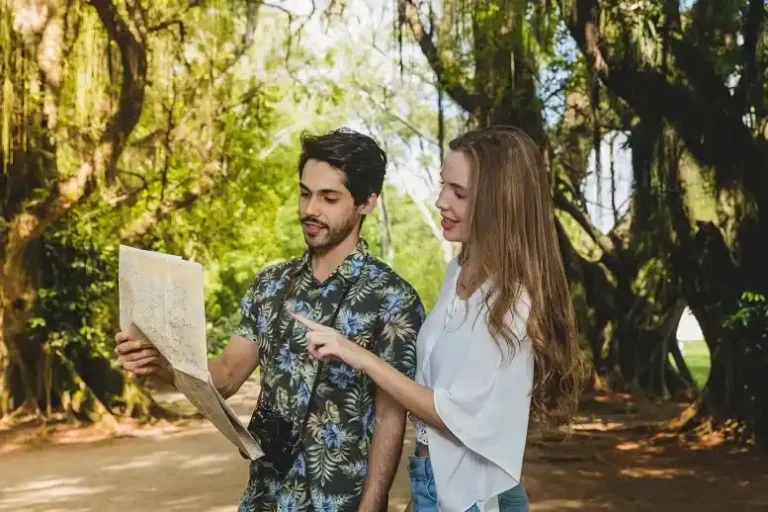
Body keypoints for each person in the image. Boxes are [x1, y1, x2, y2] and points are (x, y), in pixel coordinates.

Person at [115, 128, 426, 512]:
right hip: (265, 499)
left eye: (329, 198)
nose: (311, 209)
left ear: (366, 203)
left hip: (340, 501)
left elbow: (389, 419)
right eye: (305, 192)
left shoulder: (393, 298)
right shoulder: (270, 285)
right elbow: (226, 377)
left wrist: (372, 506)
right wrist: (161, 362)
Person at [293, 126, 582, 512]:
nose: (441, 201)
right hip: (435, 483)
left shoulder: (511, 302)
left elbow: (451, 415)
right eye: (443, 185)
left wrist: (358, 355)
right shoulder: (457, 272)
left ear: (500, 203)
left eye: (459, 193)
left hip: (474, 498)